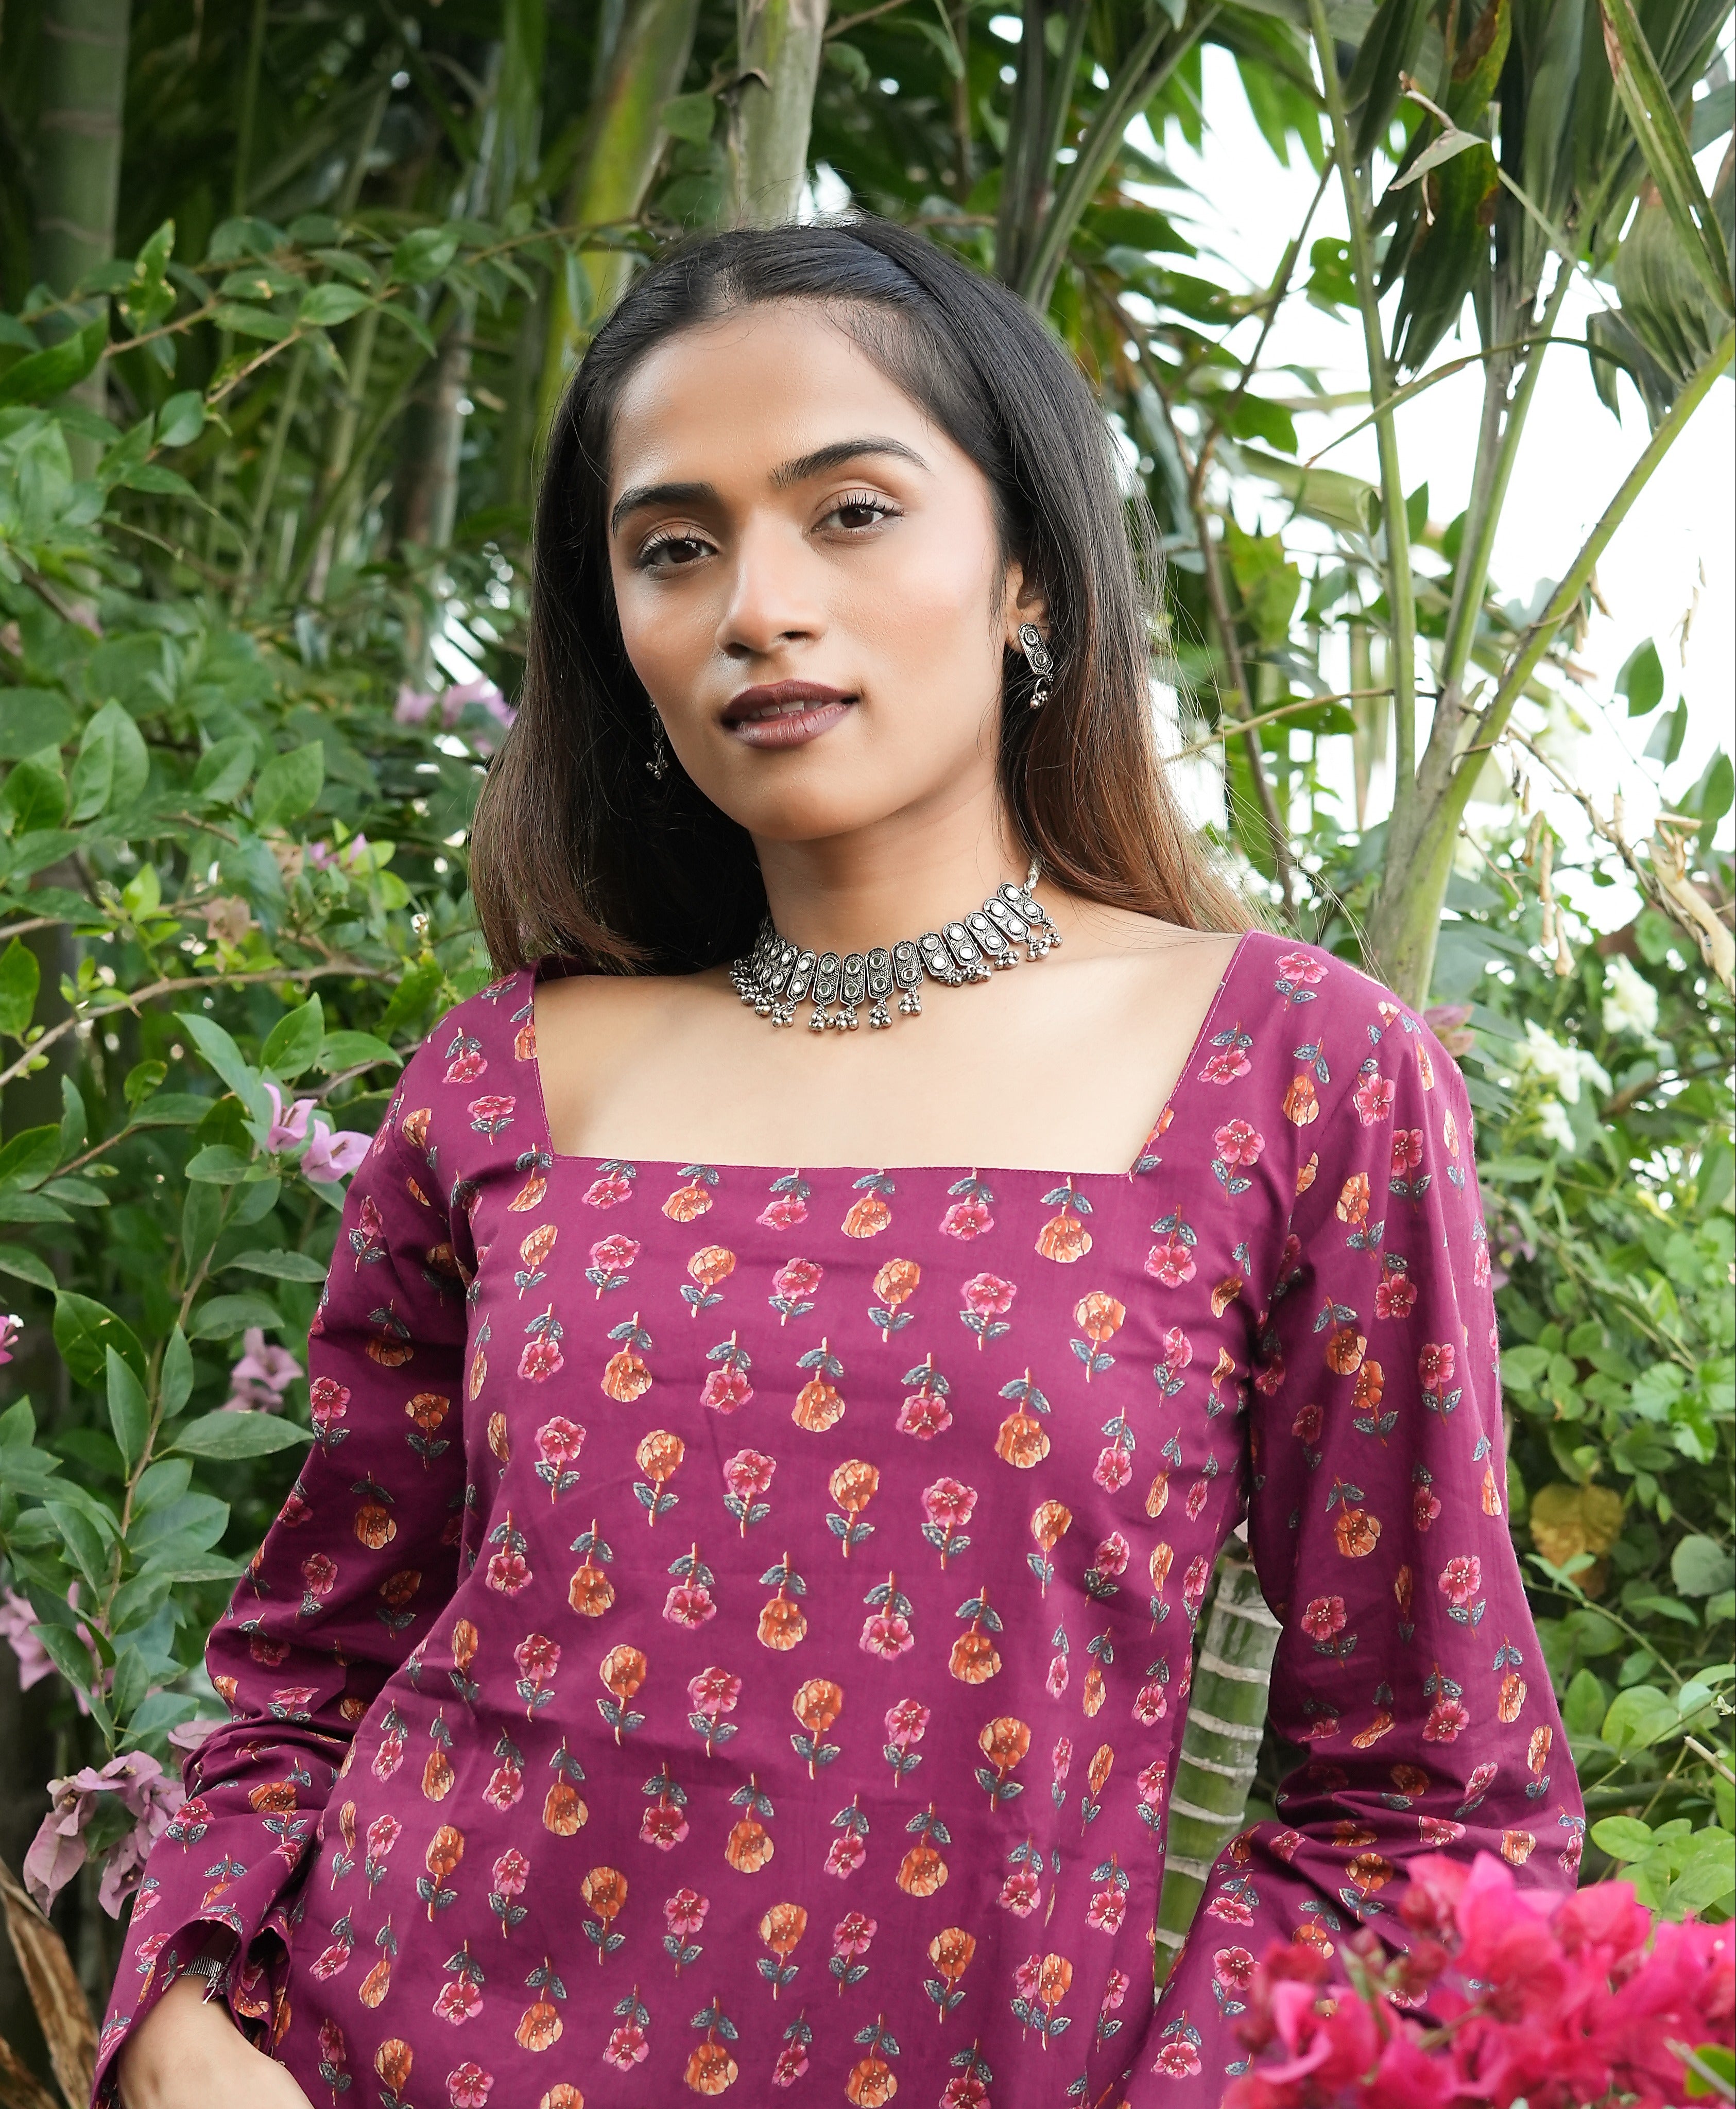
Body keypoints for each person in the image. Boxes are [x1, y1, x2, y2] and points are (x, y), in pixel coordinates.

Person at [105, 218, 1581, 2109]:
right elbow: (307, 1671)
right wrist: (182, 2018)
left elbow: (1432, 1804)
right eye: (673, 547)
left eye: (852, 512)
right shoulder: (509, 1076)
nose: (755, 606)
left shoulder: (1296, 1070)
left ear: (1029, 570)